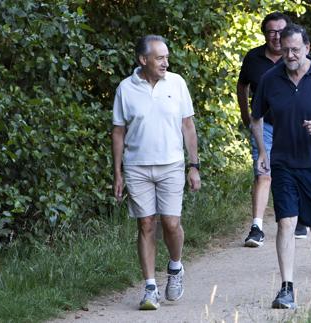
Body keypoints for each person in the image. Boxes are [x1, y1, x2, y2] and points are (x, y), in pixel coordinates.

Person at [251, 24, 311, 308]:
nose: (290, 55)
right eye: (286, 50)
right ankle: (287, 288)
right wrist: (262, 151)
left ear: (307, 48)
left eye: (296, 49)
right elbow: (256, 119)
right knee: (286, 222)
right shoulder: (271, 79)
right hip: (282, 163)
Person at [111, 35, 202, 310]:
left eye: (166, 57)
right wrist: (118, 172)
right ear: (143, 60)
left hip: (172, 164)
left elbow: (188, 126)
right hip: (137, 166)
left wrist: (193, 165)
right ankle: (150, 287)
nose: (166, 62)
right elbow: (118, 132)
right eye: (160, 57)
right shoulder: (126, 89)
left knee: (171, 224)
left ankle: (175, 267)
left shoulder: (177, 83)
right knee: (146, 224)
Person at [237, 12, 308, 247]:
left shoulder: (299, 56)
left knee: (295, 170)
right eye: (271, 32)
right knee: (263, 173)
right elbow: (242, 85)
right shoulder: (253, 58)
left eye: (281, 31)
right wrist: (246, 116)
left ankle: (299, 217)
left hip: (295, 127)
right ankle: (256, 227)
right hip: (265, 126)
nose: (276, 36)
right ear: (264, 34)